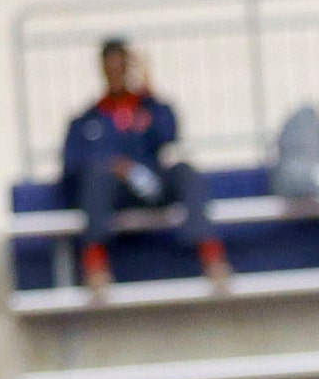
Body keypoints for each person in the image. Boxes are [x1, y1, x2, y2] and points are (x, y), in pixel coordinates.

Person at [61, 37, 231, 300]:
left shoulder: (149, 109)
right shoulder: (87, 120)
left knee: (186, 171)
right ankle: (95, 267)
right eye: (112, 67)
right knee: (95, 178)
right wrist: (114, 166)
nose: (118, 73)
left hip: (152, 185)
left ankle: (213, 258)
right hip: (114, 194)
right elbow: (71, 166)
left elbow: (169, 134)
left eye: (123, 66)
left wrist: (149, 89)